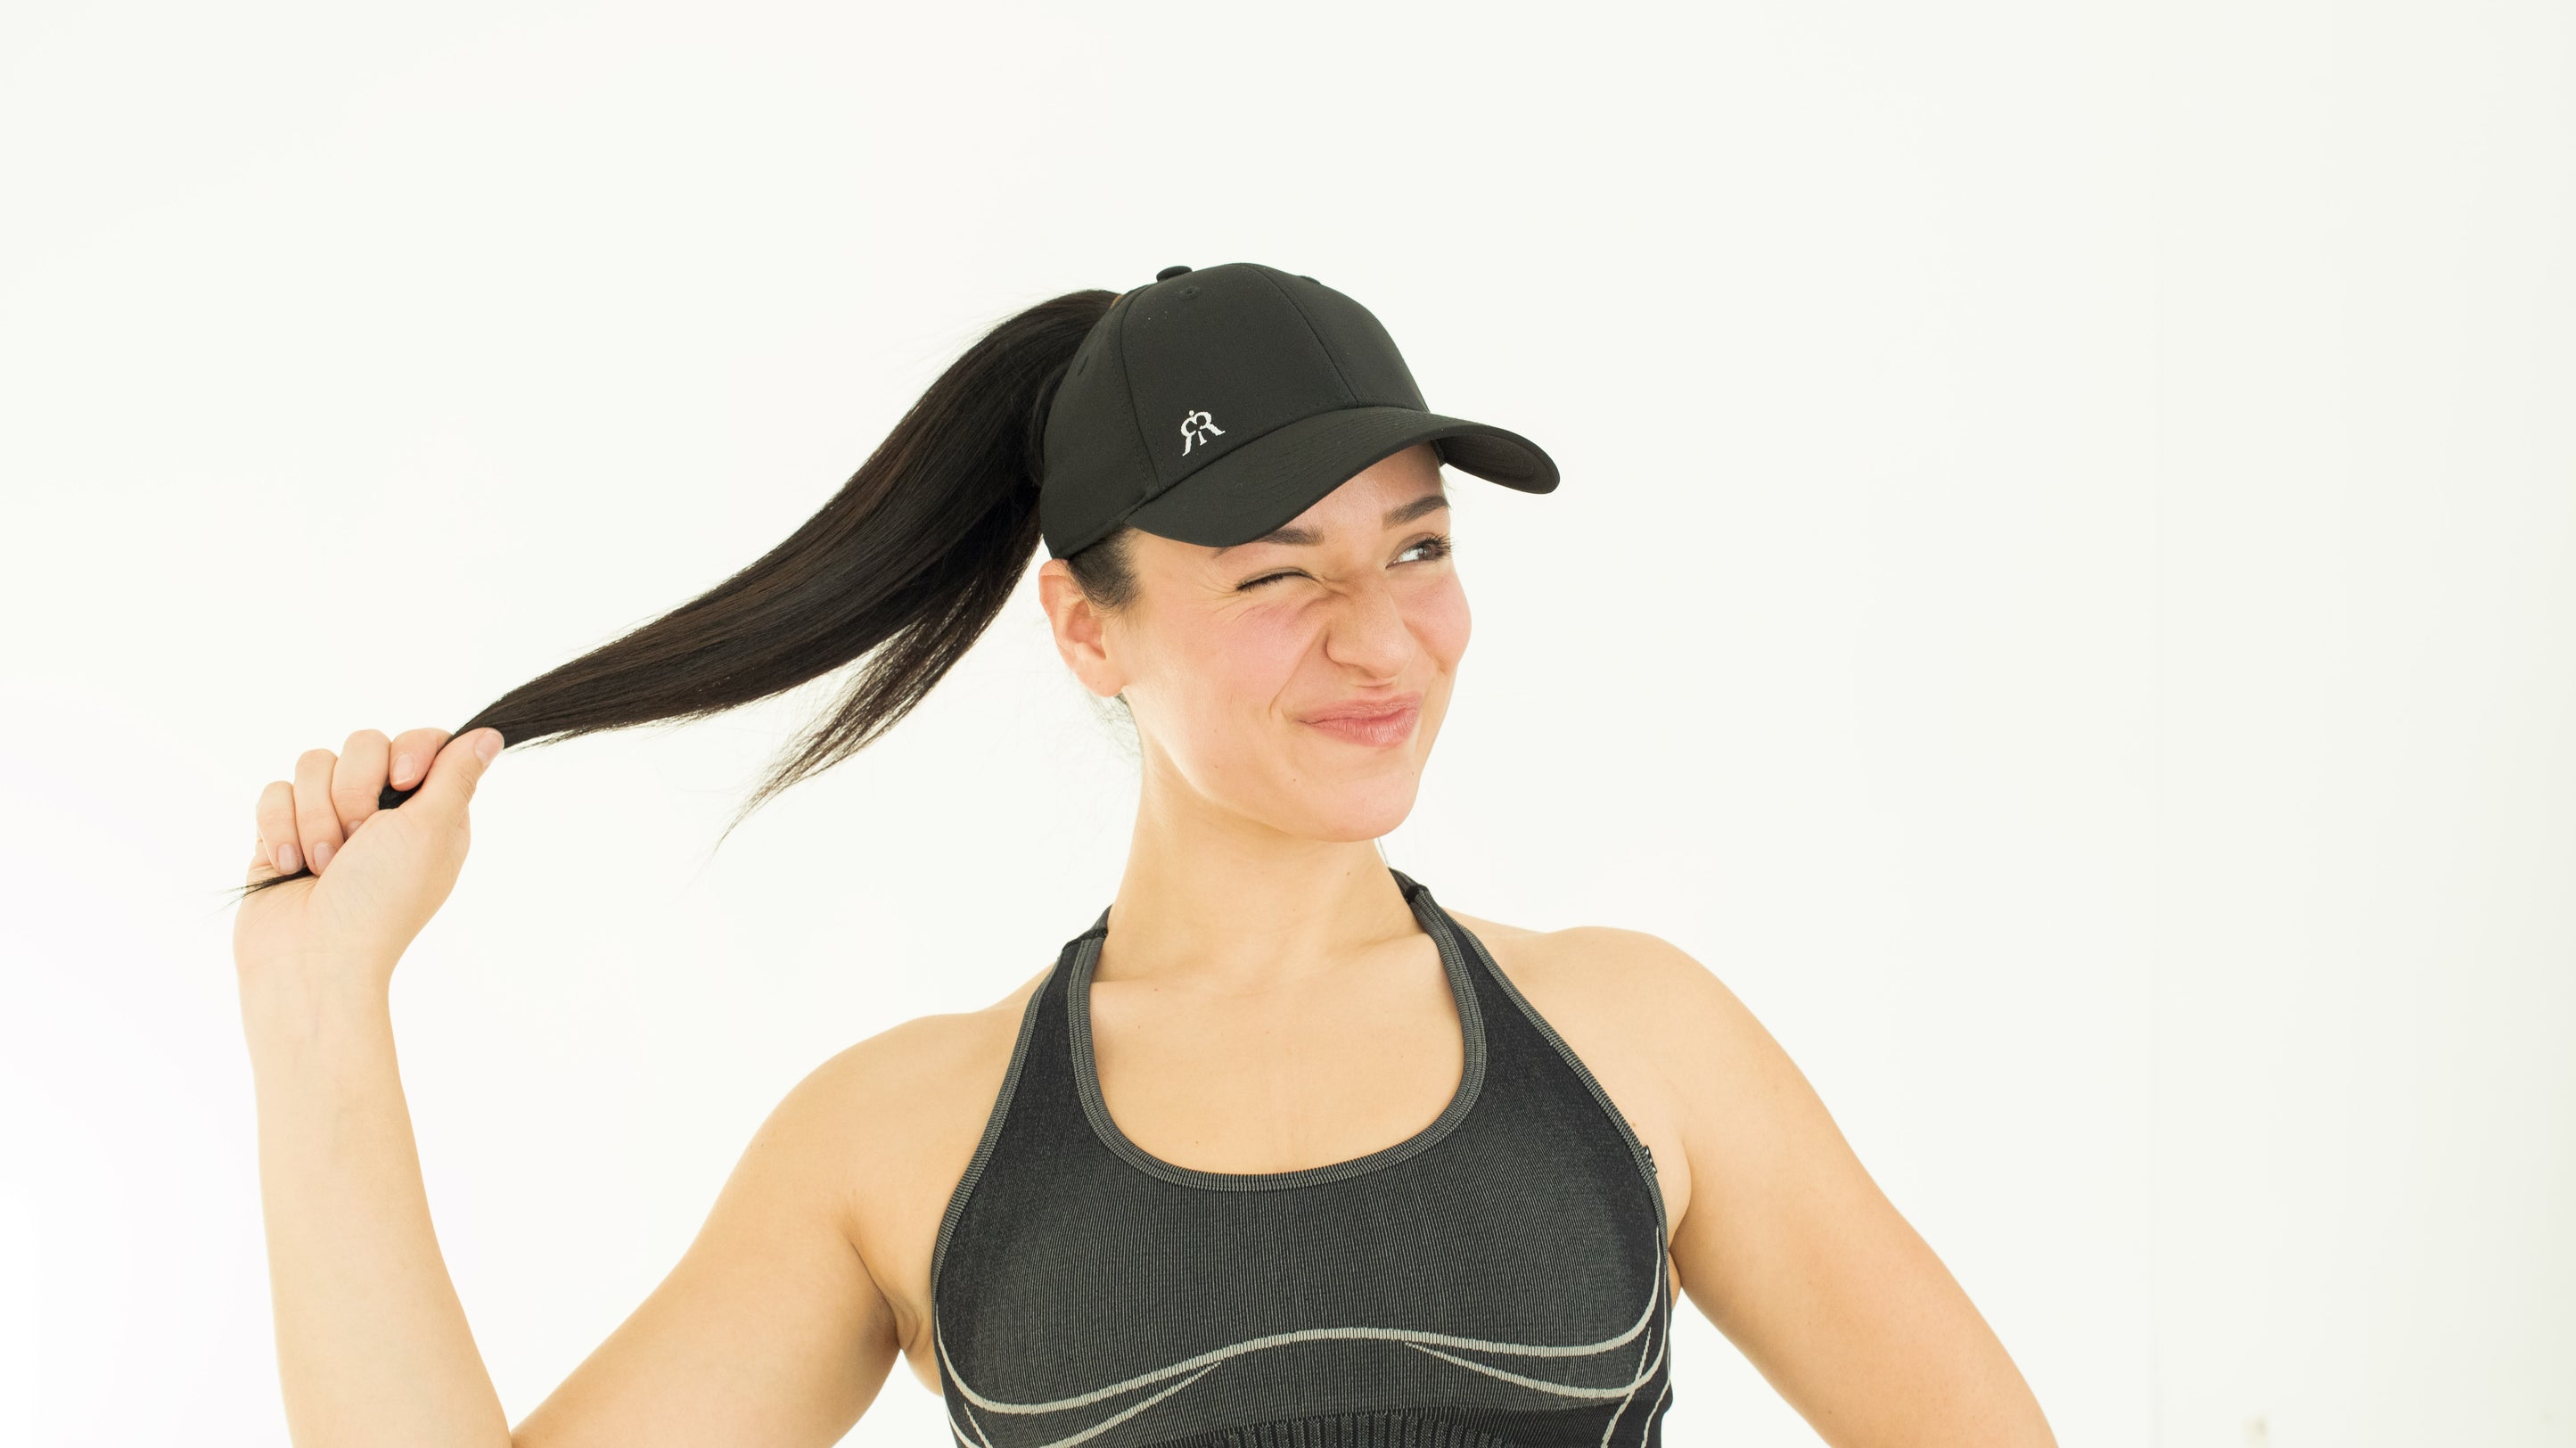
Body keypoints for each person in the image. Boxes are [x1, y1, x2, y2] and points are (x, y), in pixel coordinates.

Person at [230, 262, 2058, 1448]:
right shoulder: (903, 1137)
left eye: (1415, 548)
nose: (1378, 636)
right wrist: (319, 1010)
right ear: (1085, 628)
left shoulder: (1637, 1039)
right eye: (1278, 575)